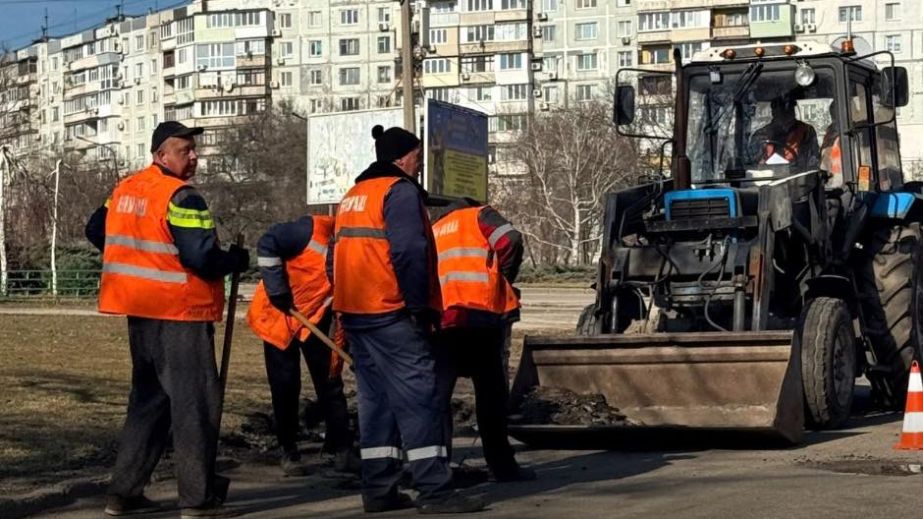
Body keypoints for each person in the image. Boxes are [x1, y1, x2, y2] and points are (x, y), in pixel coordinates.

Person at [85, 121, 249, 518]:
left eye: (194, 150)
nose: (193, 157)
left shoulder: (126, 189)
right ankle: (197, 500)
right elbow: (202, 259)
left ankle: (122, 494)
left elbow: (95, 230)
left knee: (148, 404)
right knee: (194, 406)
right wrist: (235, 261)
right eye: (184, 150)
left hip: (141, 313)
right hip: (180, 312)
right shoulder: (182, 197)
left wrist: (139, 257)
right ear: (161, 155)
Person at [330, 125, 485, 514]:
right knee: (420, 399)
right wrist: (419, 306)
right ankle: (435, 491)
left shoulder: (353, 195)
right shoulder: (397, 192)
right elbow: (411, 251)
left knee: (376, 402)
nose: (419, 163)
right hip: (392, 311)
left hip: (358, 314)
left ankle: (379, 490)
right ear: (402, 158)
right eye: (417, 155)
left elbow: (334, 258)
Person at [431, 198, 535, 482]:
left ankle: (437, 468)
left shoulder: (436, 227)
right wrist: (504, 278)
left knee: (437, 398)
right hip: (480, 316)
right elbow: (510, 239)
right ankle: (502, 465)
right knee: (491, 393)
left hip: (443, 320)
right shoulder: (480, 216)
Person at [245, 214, 358, 477]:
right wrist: (277, 289)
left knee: (330, 381)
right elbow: (267, 243)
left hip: (314, 318)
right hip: (278, 314)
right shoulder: (310, 230)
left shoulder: (358, 244)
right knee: (285, 385)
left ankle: (341, 450)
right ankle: (289, 450)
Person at [749, 92, 819, 170]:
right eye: (780, 107)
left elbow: (813, 163)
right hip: (768, 178)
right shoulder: (761, 135)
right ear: (773, 110)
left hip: (799, 178)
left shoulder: (807, 132)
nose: (785, 111)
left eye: (790, 106)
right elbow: (752, 166)